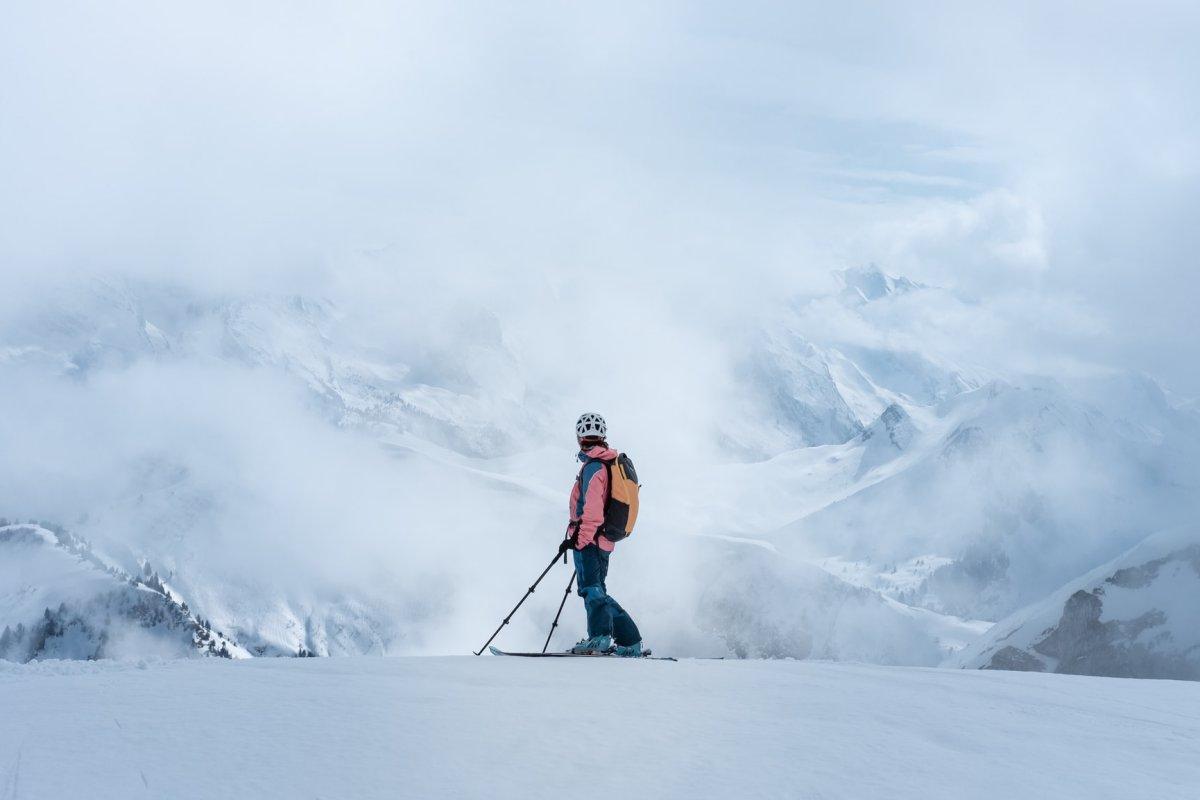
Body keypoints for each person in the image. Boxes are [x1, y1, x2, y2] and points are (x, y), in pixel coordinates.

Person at [558, 412, 644, 657]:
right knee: (597, 590)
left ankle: (600, 638)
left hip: (591, 539)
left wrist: (580, 540)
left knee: (591, 590)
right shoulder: (606, 462)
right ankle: (629, 641)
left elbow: (592, 511)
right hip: (603, 539)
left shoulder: (594, 466)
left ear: (579, 438)